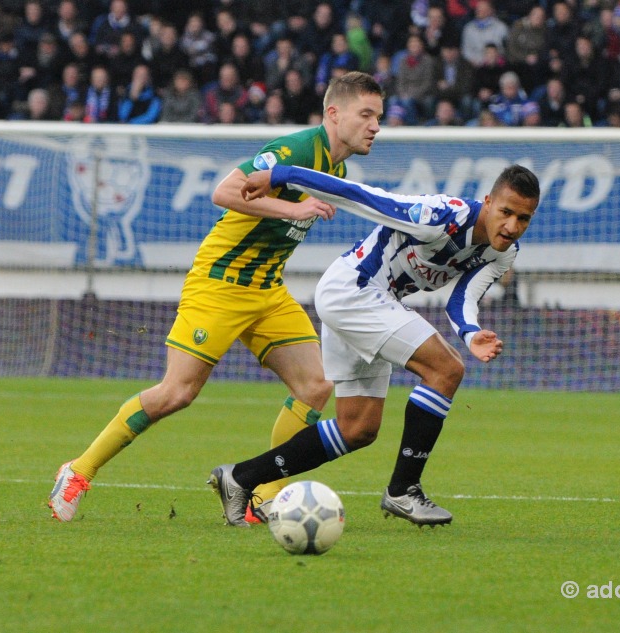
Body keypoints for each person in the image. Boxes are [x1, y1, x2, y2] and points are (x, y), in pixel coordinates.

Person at [48, 71, 385, 522]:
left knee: (316, 386)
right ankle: (78, 470)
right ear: (334, 113)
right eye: (366, 114)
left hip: (267, 290)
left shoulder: (336, 167)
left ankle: (260, 497)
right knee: (177, 393)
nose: (375, 126)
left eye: (378, 117)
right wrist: (293, 206)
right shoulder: (297, 151)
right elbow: (223, 191)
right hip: (221, 284)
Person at [208, 162, 539, 527]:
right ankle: (404, 489)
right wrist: (281, 174)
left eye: (523, 218)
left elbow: (462, 298)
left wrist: (471, 332)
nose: (511, 226)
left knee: (358, 429)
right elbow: (361, 196)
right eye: (506, 212)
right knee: (446, 369)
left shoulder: (503, 252)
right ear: (489, 202)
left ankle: (240, 478)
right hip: (354, 290)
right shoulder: (437, 217)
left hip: (376, 303)